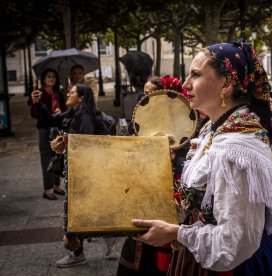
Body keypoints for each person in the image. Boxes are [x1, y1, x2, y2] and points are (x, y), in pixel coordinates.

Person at [130, 40, 272, 275]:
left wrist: (175, 233)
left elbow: (234, 242)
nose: (185, 84)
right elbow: (198, 199)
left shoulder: (237, 149)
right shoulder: (213, 130)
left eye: (195, 75)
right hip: (200, 256)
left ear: (226, 84)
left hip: (234, 266)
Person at [32, 84, 111, 267]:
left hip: (82, 175)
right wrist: (38, 104)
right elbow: (52, 119)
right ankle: (98, 238)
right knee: (79, 214)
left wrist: (66, 142)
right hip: (76, 172)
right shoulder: (72, 114)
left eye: (72, 92)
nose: (68, 94)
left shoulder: (84, 118)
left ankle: (78, 253)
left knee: (73, 216)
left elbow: (85, 146)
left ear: (82, 97)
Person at [117, 75, 189, 276]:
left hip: (169, 210)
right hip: (142, 202)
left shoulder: (185, 129)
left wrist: (171, 160)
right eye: (144, 94)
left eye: (150, 94)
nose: (145, 99)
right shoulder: (142, 124)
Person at [30, 68, 66, 200]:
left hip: (57, 128)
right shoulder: (39, 93)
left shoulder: (58, 93)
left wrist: (59, 111)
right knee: (46, 157)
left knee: (58, 155)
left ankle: (56, 186)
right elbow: (34, 113)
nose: (52, 79)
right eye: (49, 77)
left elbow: (64, 109)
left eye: (54, 77)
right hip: (44, 129)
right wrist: (36, 102)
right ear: (44, 79)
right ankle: (47, 189)